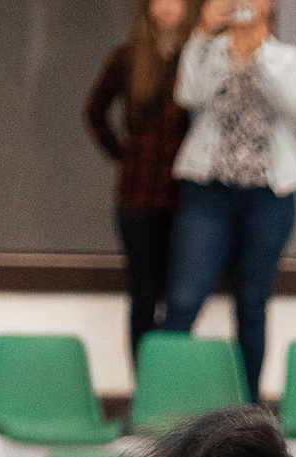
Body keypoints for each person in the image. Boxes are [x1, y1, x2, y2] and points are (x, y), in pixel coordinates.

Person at [164, 0, 296, 402]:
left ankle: (248, 412)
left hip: (268, 194)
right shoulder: (208, 49)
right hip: (209, 191)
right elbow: (188, 93)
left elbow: (291, 103)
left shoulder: (286, 57)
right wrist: (204, 34)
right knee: (184, 299)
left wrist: (256, 52)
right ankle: (158, 401)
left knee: (251, 302)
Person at [86, 0, 201, 358]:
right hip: (138, 195)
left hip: (187, 193)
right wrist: (123, 153)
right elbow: (95, 111)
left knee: (180, 295)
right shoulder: (128, 57)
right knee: (144, 293)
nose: (167, 7)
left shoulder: (200, 56)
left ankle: (169, 376)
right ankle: (144, 386)